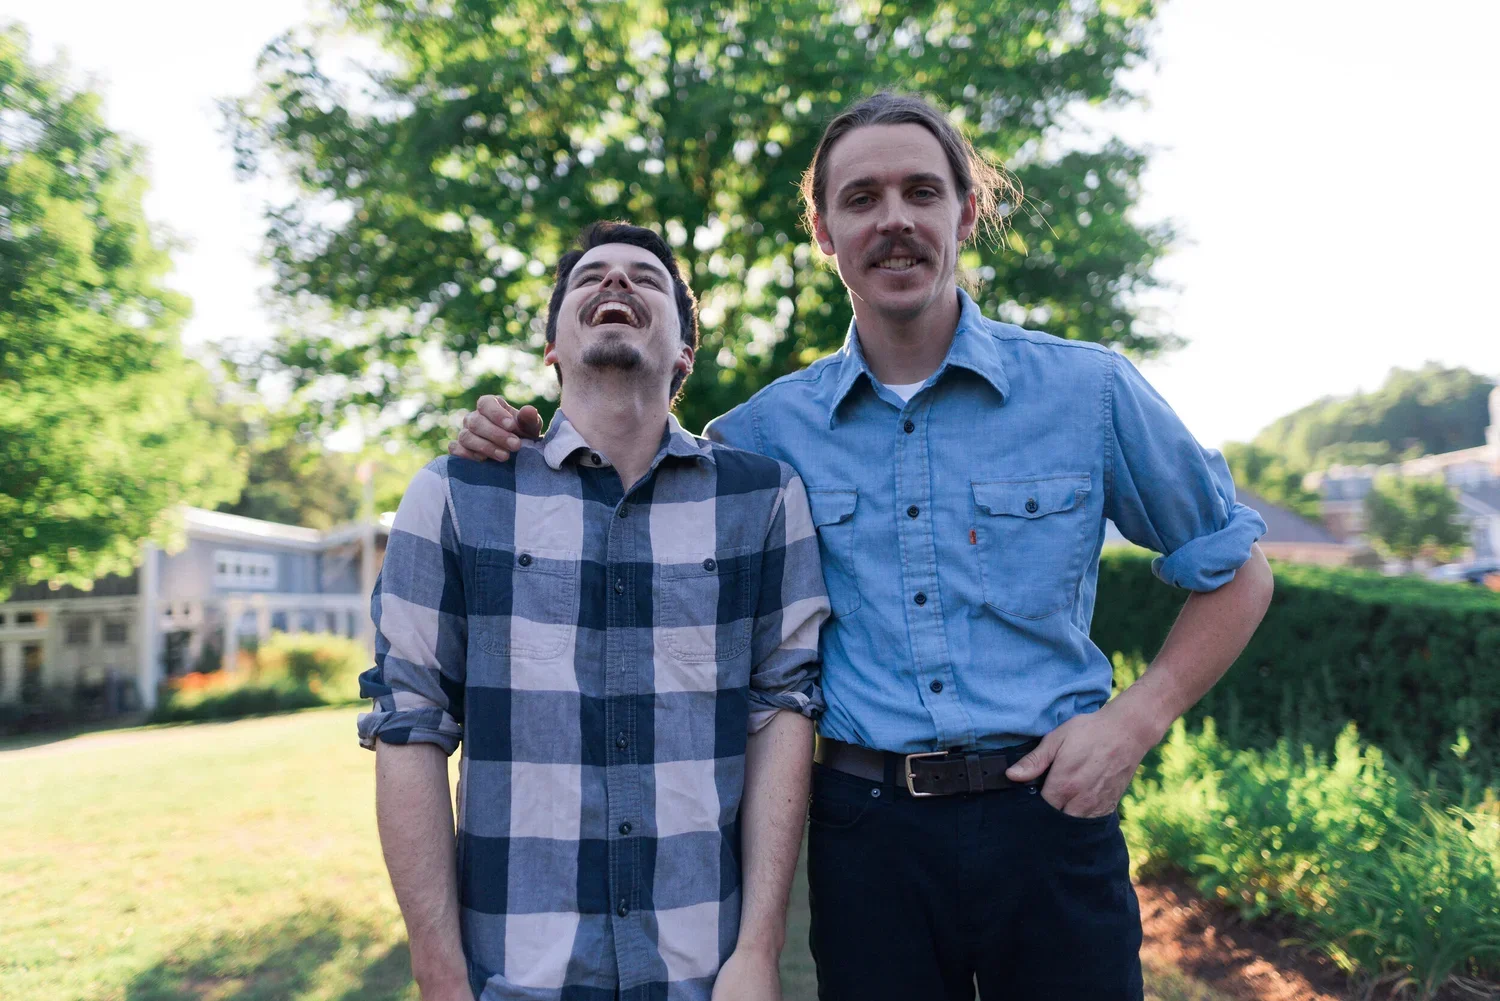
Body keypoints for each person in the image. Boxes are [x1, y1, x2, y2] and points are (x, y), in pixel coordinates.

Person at [452, 92, 1275, 1001]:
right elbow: (628, 479)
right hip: (865, 840)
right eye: (862, 198)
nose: (894, 220)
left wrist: (1137, 717)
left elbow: (1237, 569)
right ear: (824, 229)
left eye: (921, 191)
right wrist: (514, 443)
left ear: (967, 212)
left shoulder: (1090, 391)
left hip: (1050, 824)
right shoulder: (758, 437)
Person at [362, 221, 830, 1001]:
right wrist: (439, 973)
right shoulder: (455, 495)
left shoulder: (763, 498)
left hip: (702, 976)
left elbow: (783, 710)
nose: (616, 283)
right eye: (591, 278)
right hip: (513, 978)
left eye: (646, 278)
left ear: (684, 351)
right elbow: (407, 726)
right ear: (552, 348)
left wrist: (759, 949)